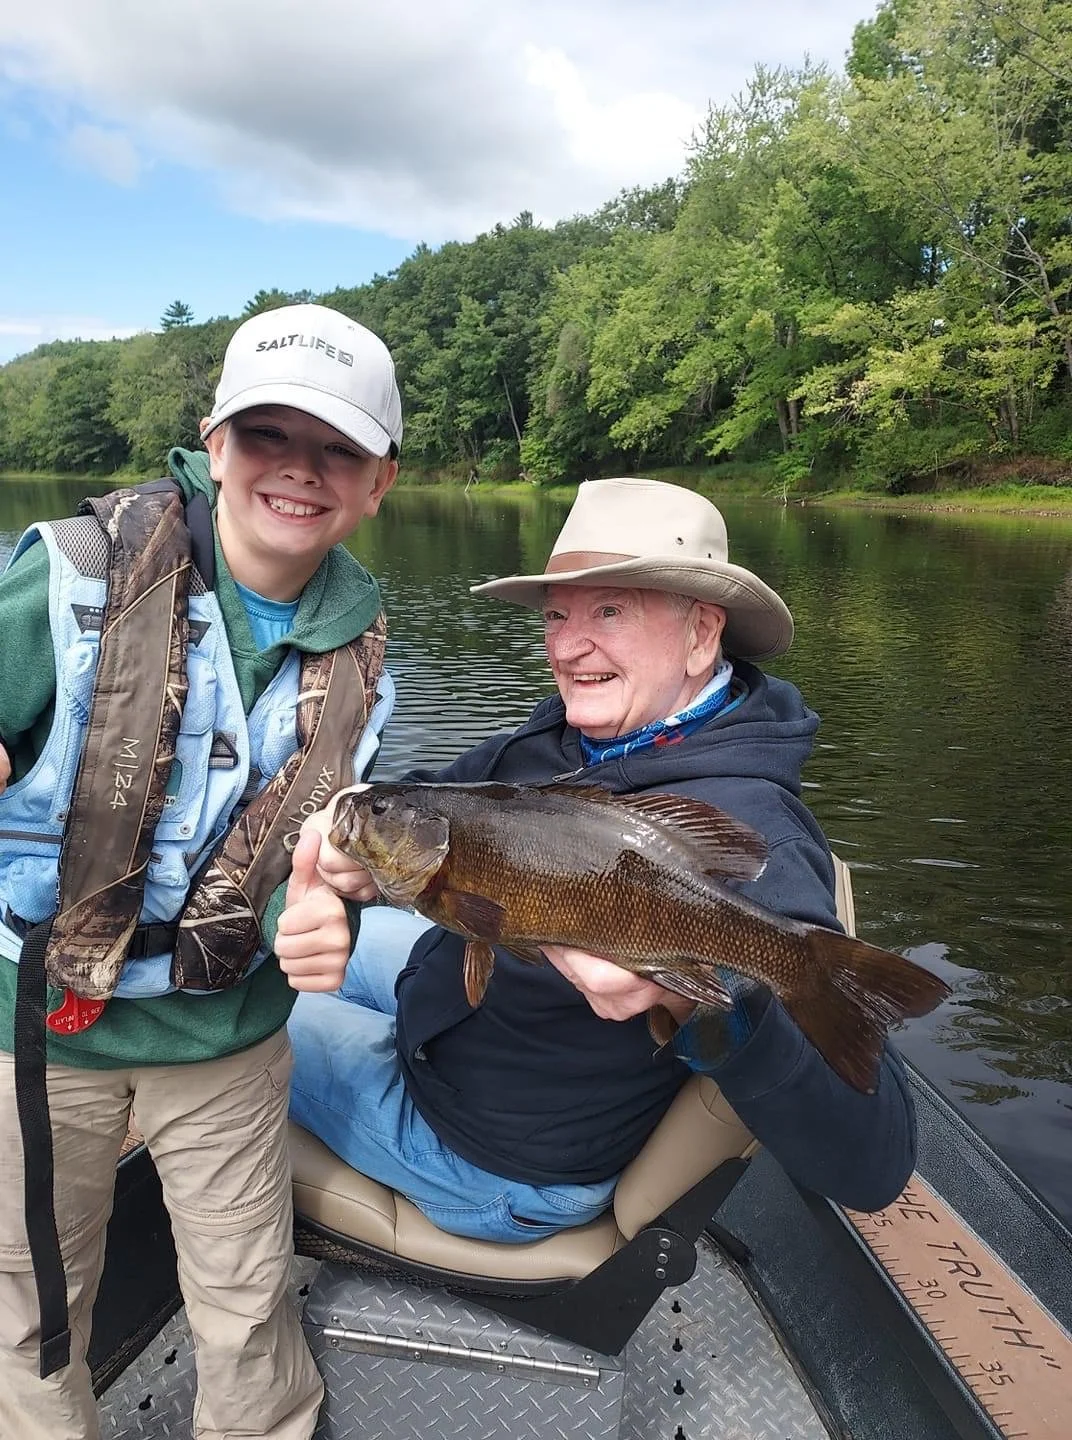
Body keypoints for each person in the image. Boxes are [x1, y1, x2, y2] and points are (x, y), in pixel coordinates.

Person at [287, 477, 919, 1246]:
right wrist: (347, 845)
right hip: (454, 1002)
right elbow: (432, 800)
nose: (565, 645)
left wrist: (697, 1006)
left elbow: (874, 1164)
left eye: (610, 611)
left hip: (498, 1155)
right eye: (557, 615)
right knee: (265, 963)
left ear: (701, 634)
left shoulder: (759, 830)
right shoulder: (574, 733)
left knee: (243, 1027)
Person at [0, 302, 402, 1440]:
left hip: (226, 1036)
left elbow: (299, 848)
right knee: (32, 1304)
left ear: (378, 481)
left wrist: (315, 906)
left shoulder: (366, 650)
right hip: (34, 1033)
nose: (301, 471)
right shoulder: (69, 575)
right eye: (271, 435)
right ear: (214, 442)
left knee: (246, 1300)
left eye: (338, 449)